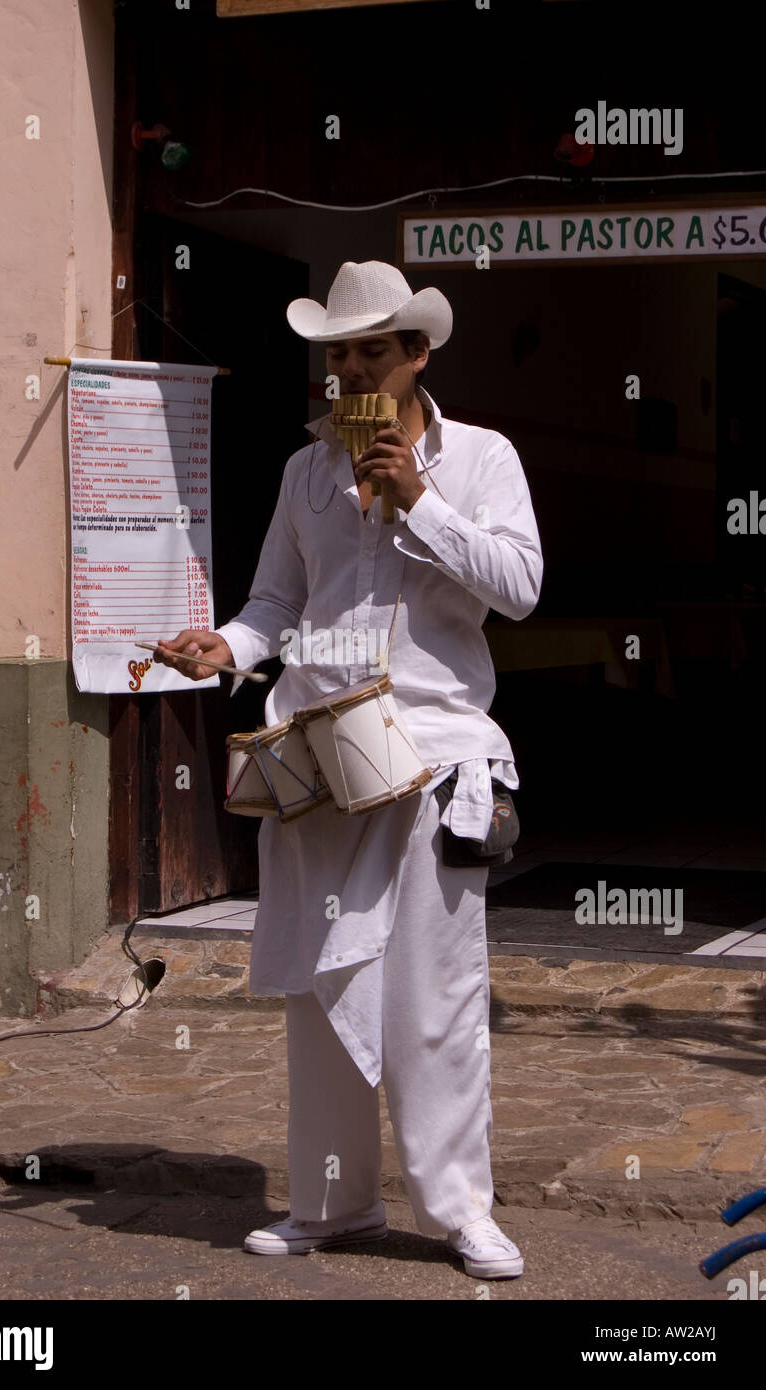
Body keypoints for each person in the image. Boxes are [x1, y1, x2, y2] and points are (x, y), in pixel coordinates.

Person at [155, 260, 543, 1280]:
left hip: (433, 760)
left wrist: (419, 500)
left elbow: (521, 587)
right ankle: (334, 1204)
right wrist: (226, 652)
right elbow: (275, 605)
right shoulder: (301, 473)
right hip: (322, 758)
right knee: (322, 994)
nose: (352, 368)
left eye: (373, 348)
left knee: (436, 999)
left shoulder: (484, 458)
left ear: (419, 352)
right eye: (338, 354)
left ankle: (462, 1210)